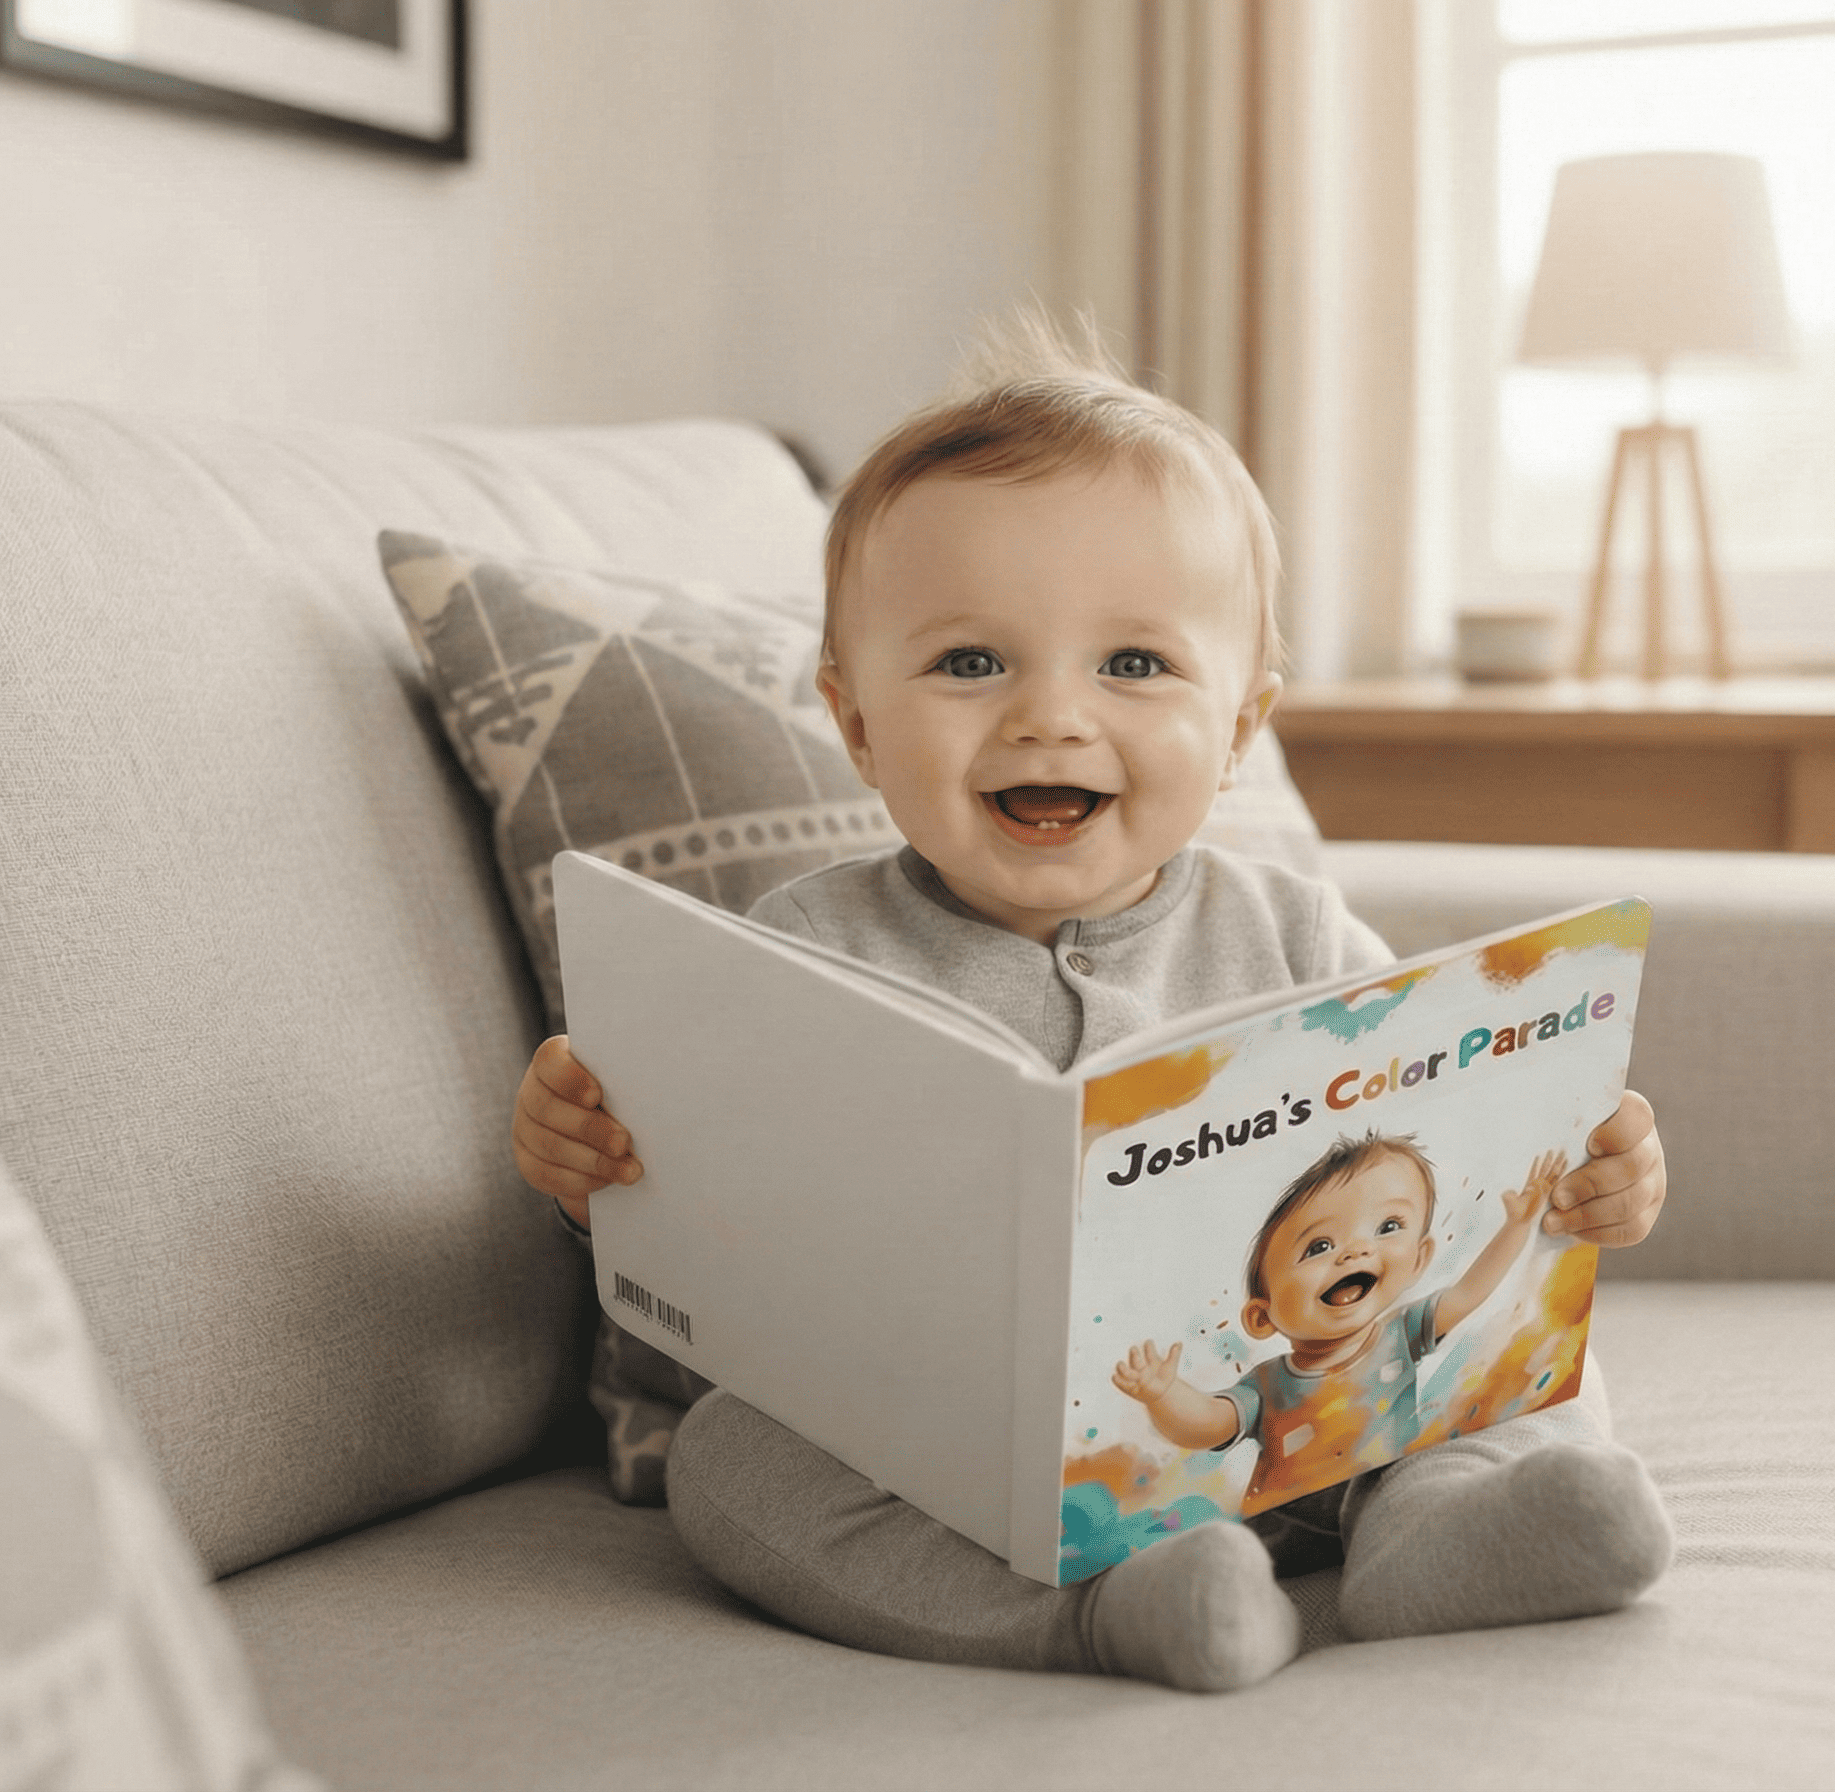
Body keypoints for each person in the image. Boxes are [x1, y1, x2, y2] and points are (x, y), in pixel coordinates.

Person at [510, 314, 1673, 1693]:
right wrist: (592, 1172)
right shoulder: (801, 951)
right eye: (967, 663)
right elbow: (704, 1261)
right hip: (973, 1480)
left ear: (1240, 725)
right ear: (856, 718)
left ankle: (1431, 1540)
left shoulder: (1296, 932)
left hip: (1329, 1419)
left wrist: (1594, 1180)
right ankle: (1120, 1611)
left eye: (1131, 665)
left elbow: (1458, 1157)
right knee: (730, 1472)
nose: (1049, 718)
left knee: (1525, 1377)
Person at [1114, 1133, 1567, 1515]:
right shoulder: (1269, 1385)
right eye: (1318, 1247)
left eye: (1387, 1226)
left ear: (1419, 1260)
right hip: (1287, 1527)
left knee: (1431, 1502)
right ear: (1261, 1315)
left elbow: (1470, 1292)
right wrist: (1163, 1394)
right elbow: (1209, 1425)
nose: (1354, 1252)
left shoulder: (1401, 1331)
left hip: (1389, 1496)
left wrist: (1516, 1228)